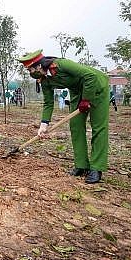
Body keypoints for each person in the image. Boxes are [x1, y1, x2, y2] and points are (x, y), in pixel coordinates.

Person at [18, 50, 109, 184]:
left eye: (30, 69)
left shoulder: (61, 64)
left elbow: (90, 76)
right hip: (77, 91)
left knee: (98, 127)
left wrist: (86, 99)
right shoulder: (44, 80)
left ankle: (96, 168)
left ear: (39, 66)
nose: (30, 73)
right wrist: (44, 125)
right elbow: (48, 103)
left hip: (96, 86)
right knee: (75, 126)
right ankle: (81, 165)